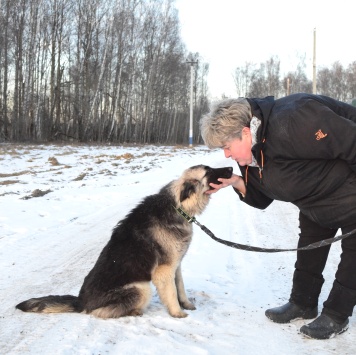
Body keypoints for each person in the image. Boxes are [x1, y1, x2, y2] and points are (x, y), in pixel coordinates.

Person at [200, 93, 356, 340]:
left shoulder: (295, 118)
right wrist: (238, 182)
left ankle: (337, 314)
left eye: (227, 147)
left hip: (350, 189)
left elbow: (351, 141)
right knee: (309, 246)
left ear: (245, 132)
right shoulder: (251, 151)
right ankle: (303, 303)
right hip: (314, 197)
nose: (227, 155)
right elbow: (262, 197)